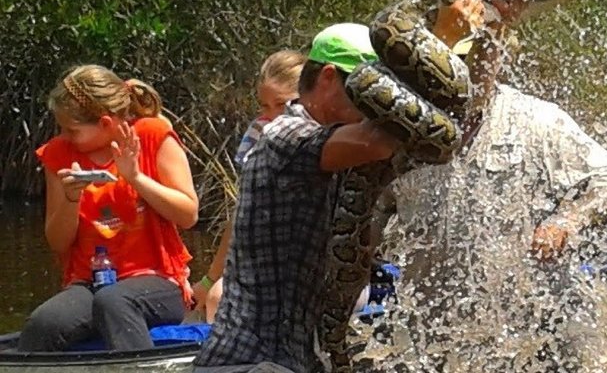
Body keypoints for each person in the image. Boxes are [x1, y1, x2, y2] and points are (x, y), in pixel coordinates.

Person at [371, 0, 607, 370]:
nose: (479, 65)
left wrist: (569, 220)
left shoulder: (539, 121)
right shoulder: (401, 133)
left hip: (542, 329)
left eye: (488, 53)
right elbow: (368, 220)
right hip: (438, 337)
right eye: (467, 57)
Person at [192, 23, 403, 373]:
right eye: (370, 93)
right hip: (248, 362)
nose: (375, 108)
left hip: (289, 360)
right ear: (329, 78)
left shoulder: (333, 148)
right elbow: (382, 140)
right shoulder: (285, 133)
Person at [19, 64, 199, 352]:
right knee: (44, 324)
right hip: (90, 282)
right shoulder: (59, 153)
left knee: (114, 300)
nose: (64, 136)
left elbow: (188, 214)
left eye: (72, 130)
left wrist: (136, 178)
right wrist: (70, 199)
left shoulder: (152, 135)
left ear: (105, 123)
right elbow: (58, 241)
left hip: (158, 281)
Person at [190, 50, 305, 324]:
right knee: (215, 295)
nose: (275, 116)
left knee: (222, 298)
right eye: (266, 106)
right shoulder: (259, 133)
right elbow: (242, 214)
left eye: (284, 104)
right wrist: (209, 278)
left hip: (302, 259)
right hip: (262, 258)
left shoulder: (316, 137)